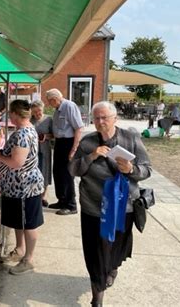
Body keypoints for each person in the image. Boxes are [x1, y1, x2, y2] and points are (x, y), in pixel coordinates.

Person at [69, 101, 152, 306]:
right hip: (93, 206)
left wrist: (131, 170)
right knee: (95, 253)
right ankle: (97, 297)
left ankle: (112, 267)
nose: (100, 121)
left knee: (116, 249)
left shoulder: (130, 138)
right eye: (96, 118)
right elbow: (73, 169)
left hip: (123, 207)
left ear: (115, 118)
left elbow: (147, 169)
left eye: (105, 117)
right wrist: (91, 156)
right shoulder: (88, 141)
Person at [0, 100, 44, 275]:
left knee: (29, 224)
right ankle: (20, 250)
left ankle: (28, 259)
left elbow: (17, 162)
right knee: (19, 221)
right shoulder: (28, 129)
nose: (10, 116)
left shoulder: (22, 134)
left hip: (23, 186)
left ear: (15, 114)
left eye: (10, 113)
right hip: (18, 186)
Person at [45, 88, 84, 215]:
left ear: (54, 99)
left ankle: (71, 205)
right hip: (59, 143)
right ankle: (62, 200)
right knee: (57, 172)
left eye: (49, 102)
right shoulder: (57, 109)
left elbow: (78, 128)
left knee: (67, 175)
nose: (49, 104)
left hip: (69, 143)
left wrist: (74, 149)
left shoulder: (69, 106)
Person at [30, 100, 53, 207]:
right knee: (34, 170)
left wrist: (45, 136)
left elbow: (54, 135)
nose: (37, 113)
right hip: (32, 150)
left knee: (45, 170)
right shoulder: (30, 120)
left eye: (39, 111)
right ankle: (35, 194)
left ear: (42, 109)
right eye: (34, 112)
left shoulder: (49, 119)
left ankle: (43, 196)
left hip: (45, 148)